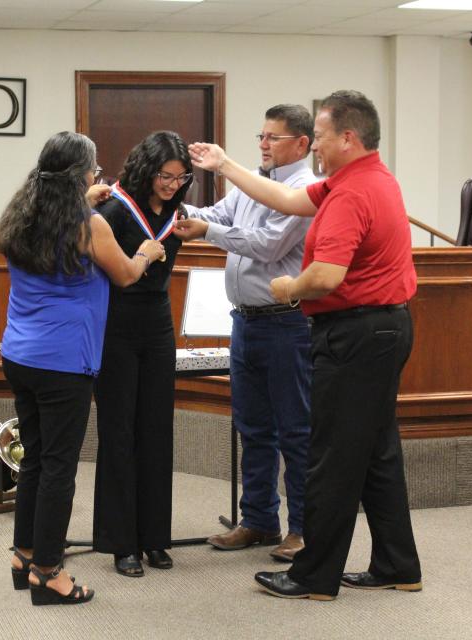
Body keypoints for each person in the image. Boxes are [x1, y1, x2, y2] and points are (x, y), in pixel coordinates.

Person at [189, 90, 422, 601]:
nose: (314, 145)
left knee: (332, 456)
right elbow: (285, 199)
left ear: (347, 137)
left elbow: (324, 275)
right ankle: (397, 564)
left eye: (318, 136)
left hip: (356, 334)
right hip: (382, 330)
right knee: (377, 454)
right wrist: (225, 164)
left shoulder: (352, 194)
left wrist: (289, 289)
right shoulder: (364, 178)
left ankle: (313, 575)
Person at [0, 131, 165, 605]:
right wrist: (148, 252)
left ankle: (24, 555)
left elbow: (60, 221)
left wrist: (84, 198)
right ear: (82, 176)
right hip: (64, 363)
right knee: (58, 469)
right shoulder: (89, 226)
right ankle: (49, 574)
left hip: (20, 355)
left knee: (35, 457)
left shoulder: (22, 214)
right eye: (93, 170)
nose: (97, 176)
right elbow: (127, 275)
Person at [173, 104, 315, 562]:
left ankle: (303, 529)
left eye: (273, 138)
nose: (263, 144)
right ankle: (258, 520)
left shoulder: (304, 189)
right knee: (253, 428)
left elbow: (268, 246)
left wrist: (209, 231)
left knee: (294, 431)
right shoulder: (252, 184)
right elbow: (215, 214)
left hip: (287, 324)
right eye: (261, 136)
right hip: (246, 323)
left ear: (301, 143)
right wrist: (165, 195)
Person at [92, 131, 193, 577]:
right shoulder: (113, 211)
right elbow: (110, 273)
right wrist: (142, 255)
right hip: (117, 323)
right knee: (119, 432)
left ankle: (154, 538)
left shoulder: (178, 214)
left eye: (179, 177)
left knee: (156, 430)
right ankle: (122, 543)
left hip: (157, 324)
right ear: (147, 170)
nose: (172, 185)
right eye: (165, 176)